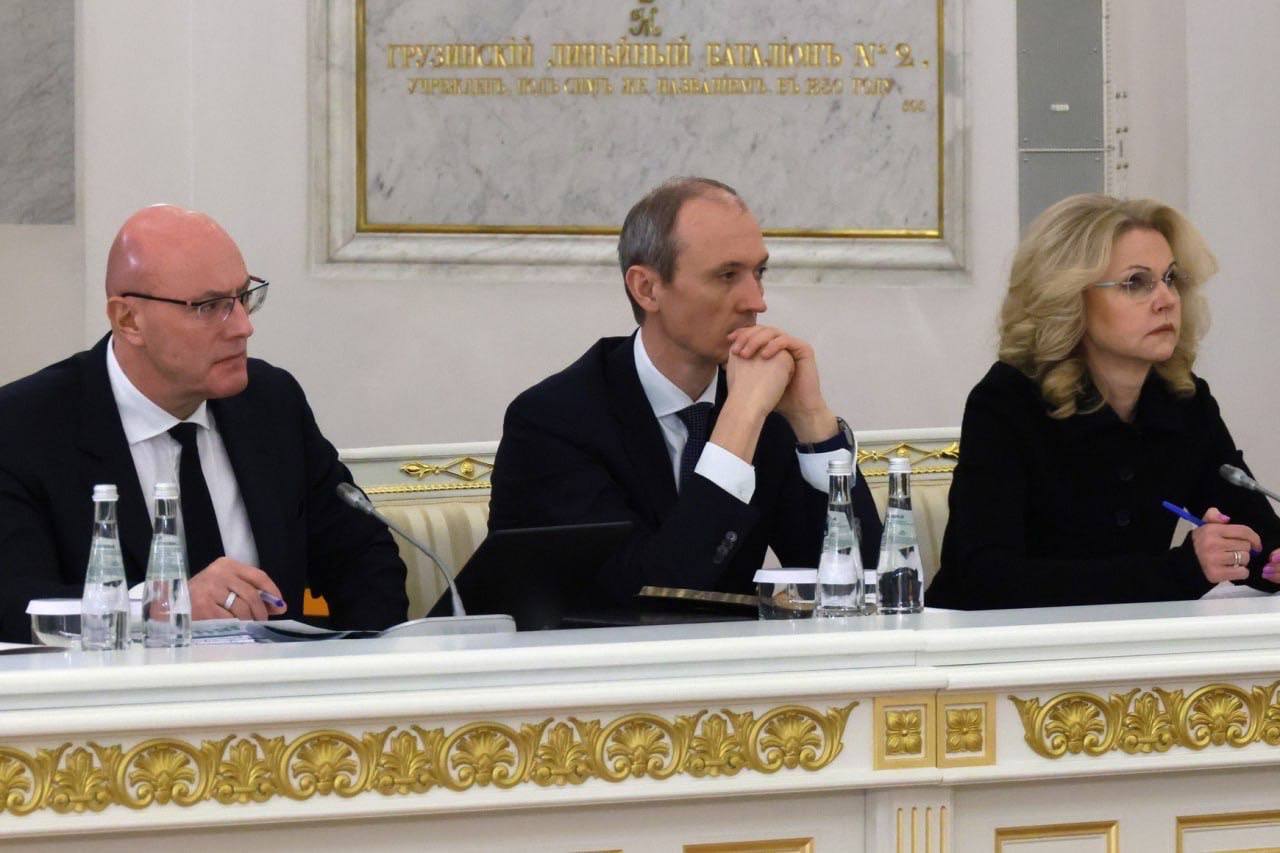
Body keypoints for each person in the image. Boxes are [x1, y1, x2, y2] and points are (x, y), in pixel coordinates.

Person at [0, 205, 407, 642]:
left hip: (274, 681)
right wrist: (158, 608)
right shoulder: (24, 427)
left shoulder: (271, 403)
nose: (243, 327)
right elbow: (15, 605)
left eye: (243, 297)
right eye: (210, 307)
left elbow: (365, 559)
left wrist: (357, 667)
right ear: (128, 320)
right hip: (118, 683)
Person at [489, 177, 881, 609]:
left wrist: (812, 421)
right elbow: (648, 602)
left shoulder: (765, 408)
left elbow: (866, 588)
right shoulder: (553, 423)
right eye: (727, 275)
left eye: (759, 273)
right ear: (647, 288)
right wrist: (739, 419)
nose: (756, 301)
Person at [926, 193, 1280, 610]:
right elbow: (984, 578)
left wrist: (1264, 560)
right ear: (1070, 297)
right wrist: (1182, 569)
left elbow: (1256, 532)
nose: (1166, 299)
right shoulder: (1007, 401)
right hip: (993, 644)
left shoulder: (1181, 401)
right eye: (1136, 283)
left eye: (1169, 278)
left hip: (1130, 642)